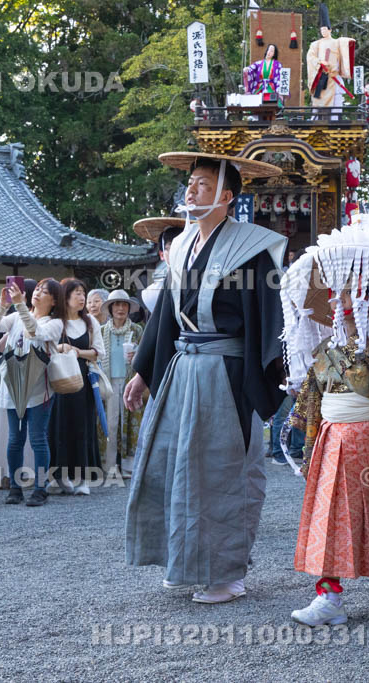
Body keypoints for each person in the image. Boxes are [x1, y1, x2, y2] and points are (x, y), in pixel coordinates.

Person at [124, 151, 286, 604]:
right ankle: (184, 562)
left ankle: (225, 573)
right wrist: (142, 373)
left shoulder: (254, 246)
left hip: (227, 371)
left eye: (202, 183)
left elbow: (268, 318)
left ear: (227, 196)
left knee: (222, 470)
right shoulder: (182, 245)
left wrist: (274, 376)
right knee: (175, 465)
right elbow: (164, 321)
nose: (191, 189)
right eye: (190, 182)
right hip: (181, 367)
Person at [281, 221, 369, 626]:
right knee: (331, 516)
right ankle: (330, 594)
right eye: (336, 290)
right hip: (332, 438)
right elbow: (310, 396)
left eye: (347, 289)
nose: (337, 298)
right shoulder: (327, 347)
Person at [0, 277, 64, 506]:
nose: (38, 293)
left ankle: (41, 488)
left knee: (38, 438)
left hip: (39, 389)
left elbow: (36, 332)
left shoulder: (55, 322)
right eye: (37, 289)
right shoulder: (16, 316)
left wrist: (20, 305)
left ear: (54, 300)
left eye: (45, 291)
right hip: (12, 385)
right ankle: (14, 486)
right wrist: (3, 304)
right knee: (15, 439)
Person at [48, 278, 104, 494]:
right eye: (77, 293)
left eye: (83, 293)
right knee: (58, 425)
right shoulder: (55, 321)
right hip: (59, 380)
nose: (82, 298)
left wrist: (78, 352)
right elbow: (44, 345)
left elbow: (99, 352)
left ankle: (82, 479)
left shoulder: (90, 322)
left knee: (83, 426)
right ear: (65, 297)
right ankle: (58, 477)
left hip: (83, 381)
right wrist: (60, 347)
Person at [98, 289, 144, 476]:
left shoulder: (137, 330)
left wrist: (137, 354)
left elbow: (145, 353)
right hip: (108, 381)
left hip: (129, 380)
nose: (120, 308)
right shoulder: (101, 330)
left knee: (130, 421)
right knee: (109, 422)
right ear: (110, 308)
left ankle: (129, 465)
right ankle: (108, 465)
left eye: (124, 305)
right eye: (116, 305)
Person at [133, 217, 185, 314]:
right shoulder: (152, 294)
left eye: (181, 247)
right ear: (162, 255)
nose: (176, 252)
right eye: (170, 248)